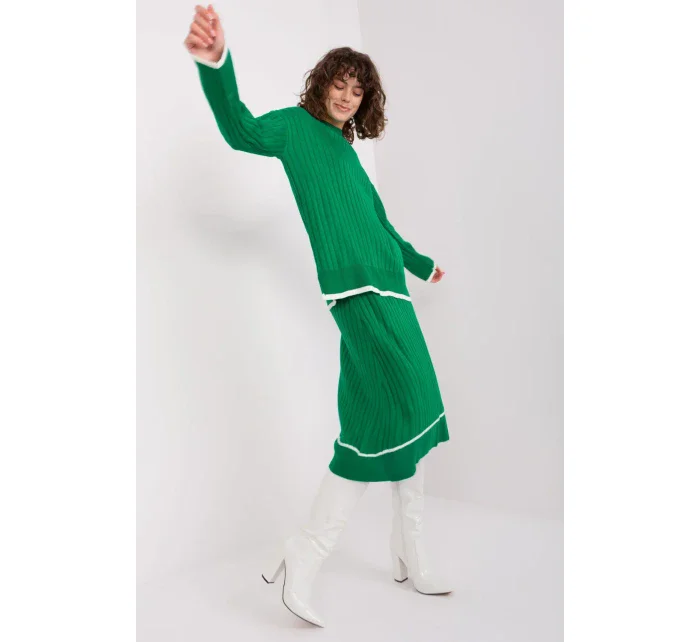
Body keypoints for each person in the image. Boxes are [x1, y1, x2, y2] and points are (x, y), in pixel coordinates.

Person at [184, 4, 453, 627]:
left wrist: (419, 263)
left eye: (358, 91)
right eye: (341, 83)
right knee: (388, 409)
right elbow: (239, 128)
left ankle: (407, 550)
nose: (347, 97)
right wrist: (217, 64)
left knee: (406, 407)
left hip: (392, 289)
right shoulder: (294, 128)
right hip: (354, 293)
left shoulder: (347, 151)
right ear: (323, 82)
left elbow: (378, 222)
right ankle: (308, 550)